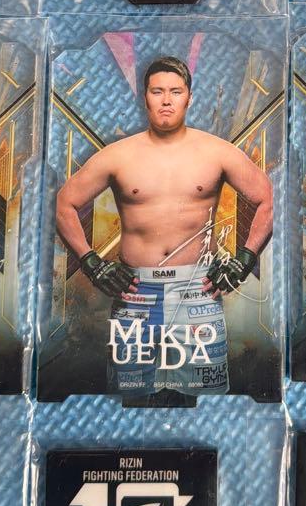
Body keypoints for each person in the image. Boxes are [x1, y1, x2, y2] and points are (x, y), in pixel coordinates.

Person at [55, 56, 273, 396]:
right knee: (129, 397)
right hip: (135, 291)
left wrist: (245, 260)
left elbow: (267, 200)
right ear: (145, 97)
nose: (166, 100)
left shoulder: (217, 152)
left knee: (204, 399)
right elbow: (64, 205)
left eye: (176, 91)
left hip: (197, 290)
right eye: (157, 91)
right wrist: (92, 264)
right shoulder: (118, 155)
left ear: (190, 97)